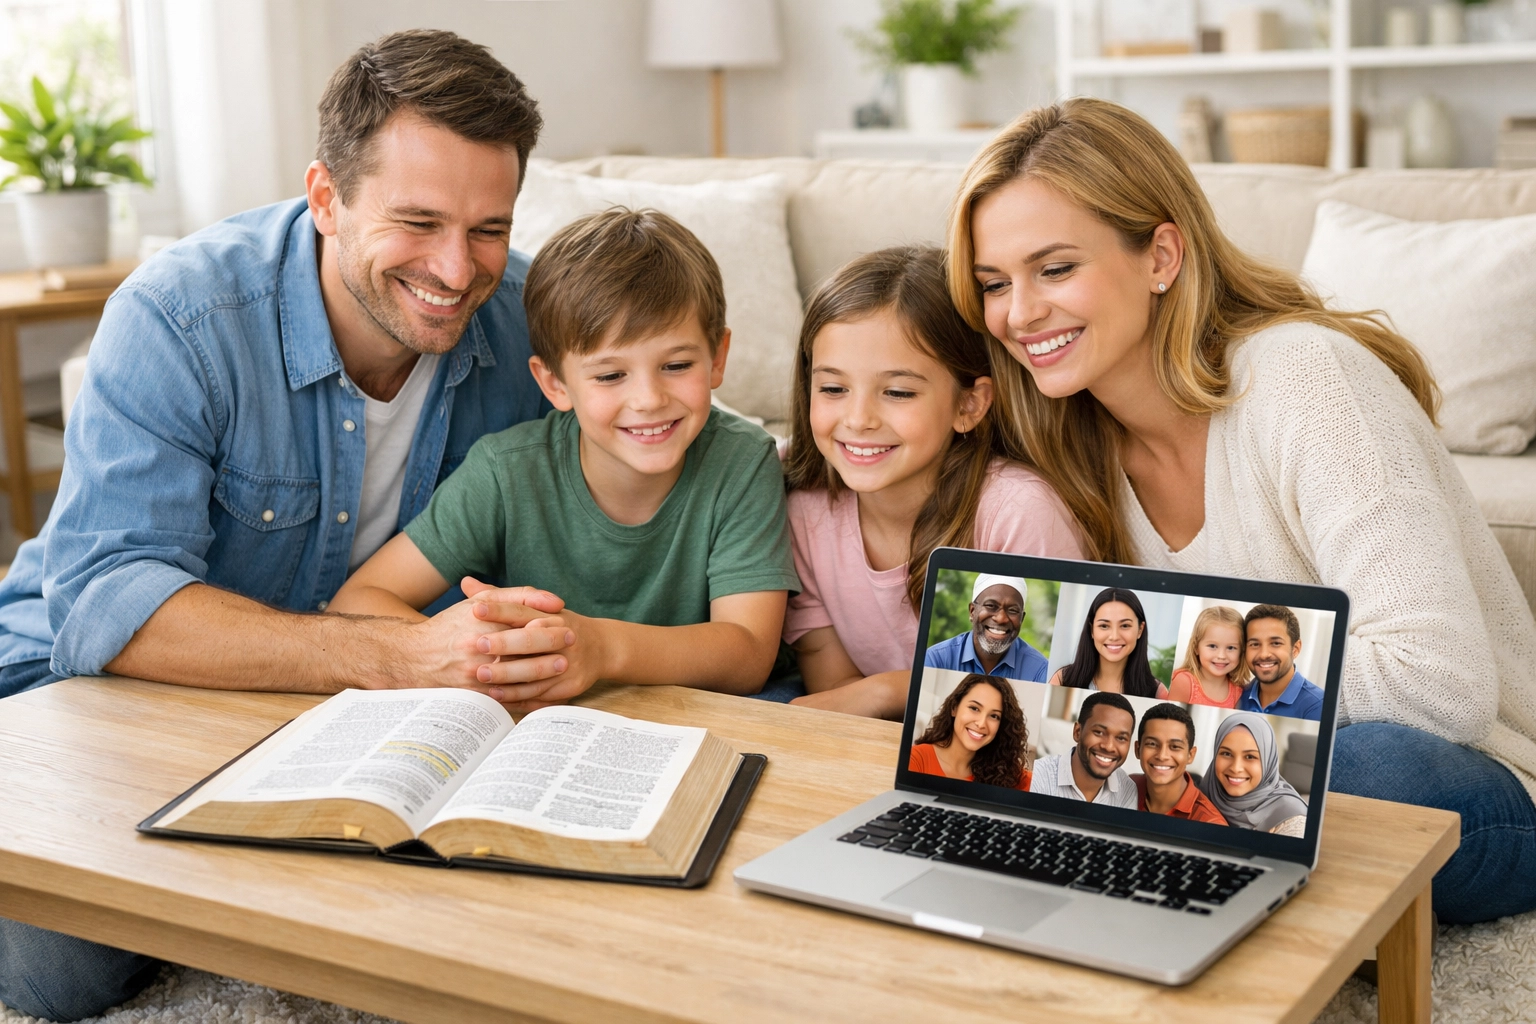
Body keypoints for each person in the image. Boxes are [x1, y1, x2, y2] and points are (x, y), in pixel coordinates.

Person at [0, 30, 573, 1021]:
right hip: (90, 685)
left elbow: (670, 433)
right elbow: (105, 605)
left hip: (338, 724)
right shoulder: (183, 315)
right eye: (419, 221)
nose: (456, 267)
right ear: (326, 197)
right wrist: (395, 657)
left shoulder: (525, 319)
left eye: (489, 227)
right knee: (63, 971)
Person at [947, 96, 1536, 923]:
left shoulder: (1304, 380)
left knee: (1364, 770)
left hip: (1482, 778)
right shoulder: (1070, 438)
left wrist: (1179, 705)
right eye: (992, 285)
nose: (1019, 313)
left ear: (1161, 254)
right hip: (1219, 769)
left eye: (1054, 269)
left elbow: (1440, 687)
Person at [329, 208, 799, 701]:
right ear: (554, 383)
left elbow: (748, 654)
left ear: (717, 358)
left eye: (676, 365)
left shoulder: (743, 464)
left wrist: (601, 647)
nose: (648, 399)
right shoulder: (506, 472)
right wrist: (493, 652)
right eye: (610, 375)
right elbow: (357, 602)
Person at [778, 246, 1081, 719]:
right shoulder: (805, 510)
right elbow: (837, 691)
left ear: (969, 405)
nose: (858, 420)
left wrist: (889, 690)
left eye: (898, 392)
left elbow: (1047, 697)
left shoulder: (1017, 511)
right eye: (833, 388)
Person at [909, 673, 1033, 789]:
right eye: (974, 708)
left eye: (994, 716)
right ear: (954, 708)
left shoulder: (1007, 774)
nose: (981, 724)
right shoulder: (916, 759)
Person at [924, 574, 1049, 681]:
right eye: (991, 606)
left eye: (1012, 610)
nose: (1001, 618)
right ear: (972, 611)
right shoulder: (936, 660)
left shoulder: (1039, 670)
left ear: (1021, 619)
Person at [1198, 714, 1309, 836]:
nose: (1236, 768)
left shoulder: (1293, 820)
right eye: (1226, 754)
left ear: (1268, 762)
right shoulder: (1200, 796)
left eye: (1250, 756)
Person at [1029, 691, 1138, 807]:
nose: (1109, 747)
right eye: (1099, 732)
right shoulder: (1038, 776)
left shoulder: (1127, 790)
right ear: (1077, 732)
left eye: (1121, 738)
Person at [1048, 587, 1160, 697]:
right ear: (1092, 629)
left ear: (1140, 629)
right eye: (1104, 626)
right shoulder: (1062, 680)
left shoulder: (1157, 692)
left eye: (1125, 626)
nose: (1114, 636)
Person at [1130, 702, 1227, 824]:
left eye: (1175, 746)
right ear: (1137, 749)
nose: (1162, 756)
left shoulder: (1210, 823)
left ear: (1190, 755)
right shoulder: (1125, 787)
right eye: (1152, 744)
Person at [1239, 605, 1324, 721]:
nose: (1264, 654)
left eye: (1275, 643)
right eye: (1254, 644)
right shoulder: (1238, 695)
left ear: (1295, 649)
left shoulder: (1318, 705)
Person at [1159, 605, 1246, 708]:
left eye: (1231, 648)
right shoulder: (1184, 682)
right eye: (1212, 646)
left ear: (1242, 651)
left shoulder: (1239, 691)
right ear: (1196, 647)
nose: (1221, 656)